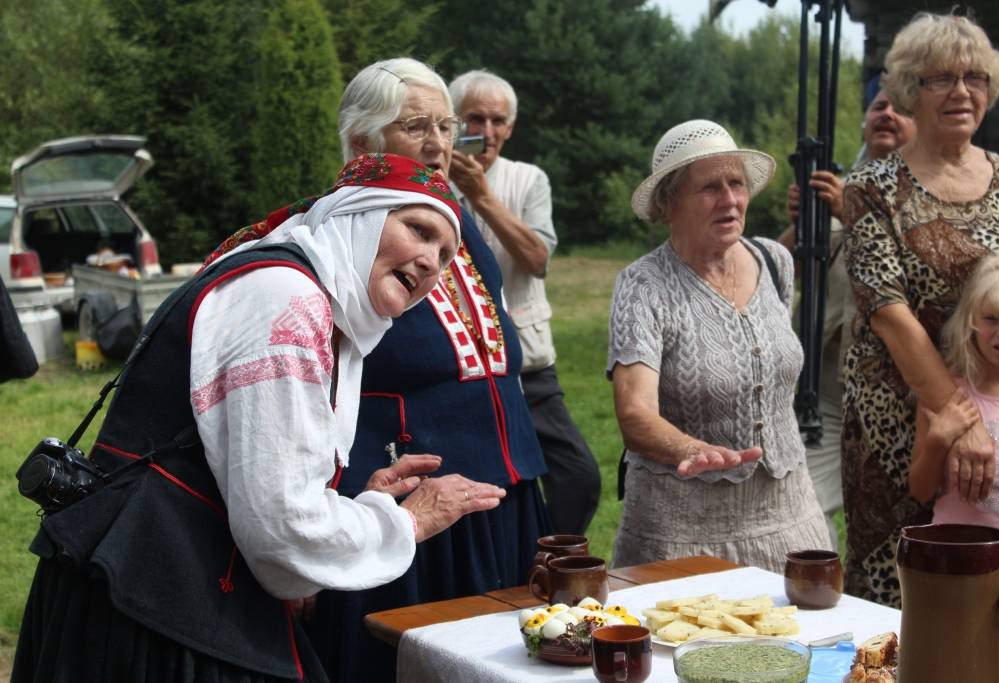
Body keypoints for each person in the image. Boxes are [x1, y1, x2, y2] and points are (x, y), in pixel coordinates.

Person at [12, 153, 508, 682]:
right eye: (418, 229)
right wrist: (408, 521)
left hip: (164, 593)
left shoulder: (315, 304)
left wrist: (349, 506)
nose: (432, 261)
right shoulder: (286, 298)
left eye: (445, 253)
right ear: (356, 216)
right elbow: (282, 529)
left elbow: (260, 485)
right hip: (149, 612)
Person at [306, 58, 551, 683]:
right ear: (362, 141)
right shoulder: (335, 236)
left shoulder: (458, 224)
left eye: (445, 125)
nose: (439, 142)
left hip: (504, 491)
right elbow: (314, 388)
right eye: (416, 126)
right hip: (416, 508)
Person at [841, 10, 999, 607]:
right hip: (898, 419)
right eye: (941, 78)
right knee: (899, 597)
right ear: (909, 92)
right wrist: (960, 418)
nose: (961, 91)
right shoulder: (870, 187)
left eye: (974, 77)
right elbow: (888, 310)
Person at [608, 119, 831, 573]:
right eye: (710, 188)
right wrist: (688, 449)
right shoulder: (643, 286)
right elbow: (635, 414)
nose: (730, 200)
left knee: (798, 638)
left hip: (787, 514)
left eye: (737, 184)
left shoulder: (775, 261)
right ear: (669, 201)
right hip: (680, 528)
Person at [448, 69, 600, 535]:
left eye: (498, 120)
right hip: (459, 366)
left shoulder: (528, 180)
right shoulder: (430, 179)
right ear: (453, 123)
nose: (488, 132)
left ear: (511, 127)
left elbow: (537, 259)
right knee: (488, 490)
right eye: (475, 118)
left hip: (528, 363)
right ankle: (510, 566)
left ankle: (549, 556)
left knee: (579, 476)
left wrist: (483, 198)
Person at [777, 80, 917, 549]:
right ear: (863, 121)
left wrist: (849, 212)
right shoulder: (841, 183)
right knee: (804, 514)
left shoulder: (927, 193)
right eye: (879, 105)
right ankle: (812, 596)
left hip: (902, 383)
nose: (887, 114)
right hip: (829, 386)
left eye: (900, 109)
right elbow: (780, 273)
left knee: (892, 527)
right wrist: (803, 225)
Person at [909, 251, 999, 564]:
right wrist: (938, 441)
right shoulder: (948, 394)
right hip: (953, 555)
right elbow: (920, 490)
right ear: (972, 319)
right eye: (991, 318)